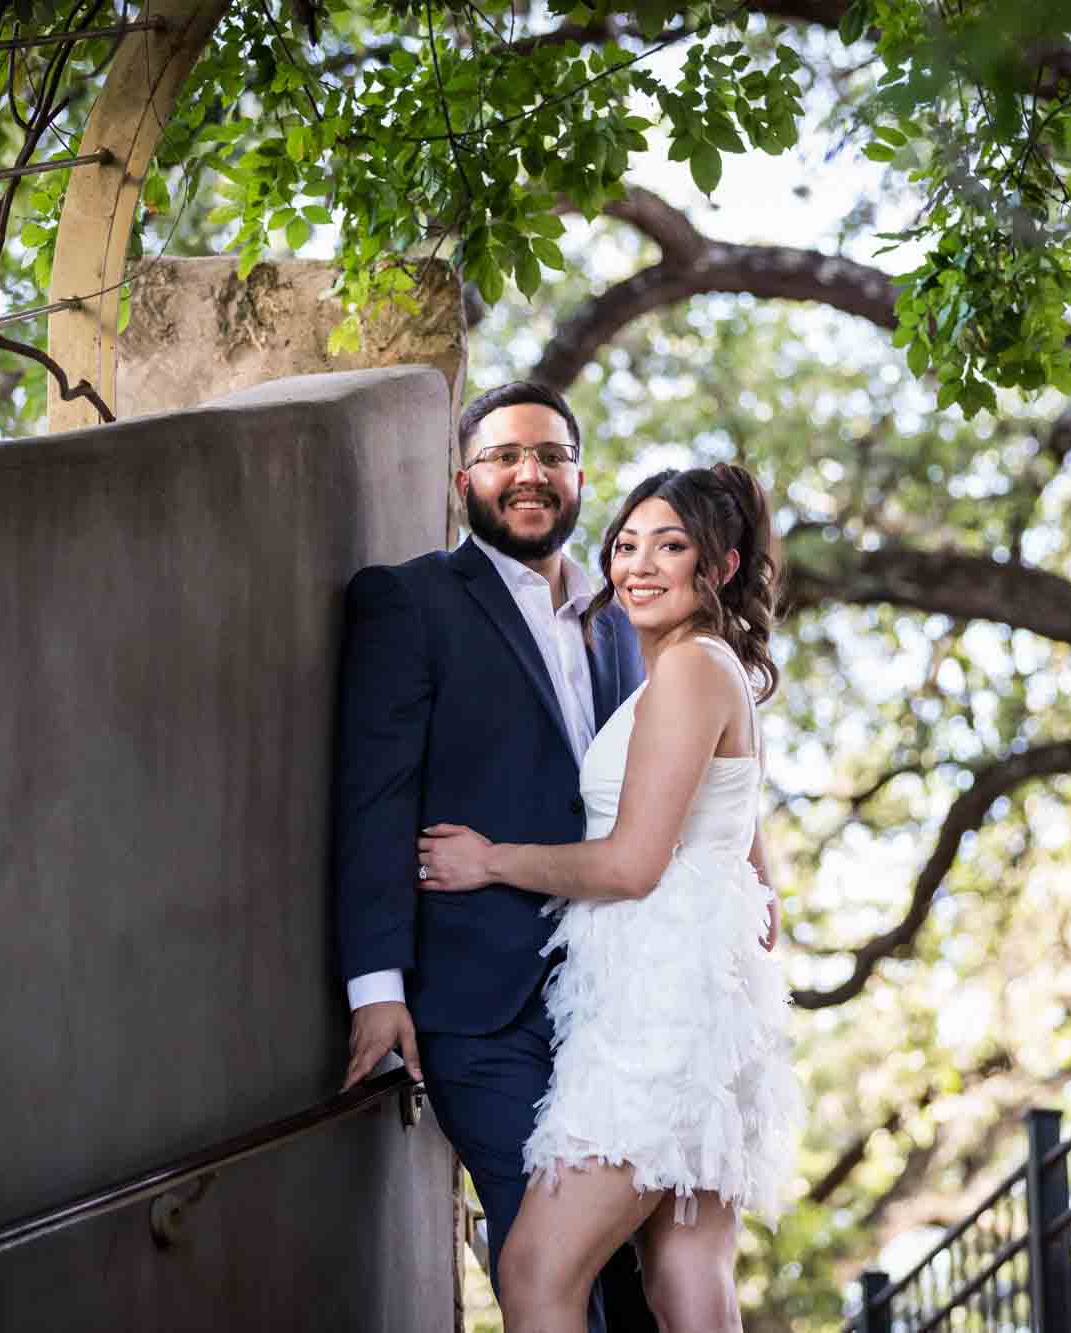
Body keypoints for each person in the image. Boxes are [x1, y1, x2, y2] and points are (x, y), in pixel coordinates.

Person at [416, 463, 802, 1333]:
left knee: (538, 1269)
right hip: (696, 1007)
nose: (639, 564)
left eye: (671, 546)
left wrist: (490, 860)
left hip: (659, 1018)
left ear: (724, 565)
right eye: (627, 543)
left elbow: (630, 865)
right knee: (682, 1273)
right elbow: (761, 889)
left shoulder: (691, 673)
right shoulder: (708, 671)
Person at [333, 381, 651, 1332]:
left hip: (612, 1002)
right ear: (463, 478)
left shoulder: (618, 624)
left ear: (580, 478)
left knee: (632, 1277)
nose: (530, 474)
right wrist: (375, 988)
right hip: (481, 1010)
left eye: (551, 457)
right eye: (507, 456)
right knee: (542, 1258)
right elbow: (374, 797)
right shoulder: (411, 599)